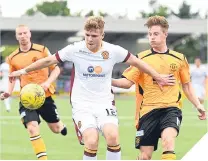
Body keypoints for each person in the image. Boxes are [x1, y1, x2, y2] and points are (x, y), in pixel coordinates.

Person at [9, 16, 175, 160]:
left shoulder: (113, 51)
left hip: (105, 103)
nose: (89, 39)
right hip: (82, 105)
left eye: (94, 36)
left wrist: (158, 76)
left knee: (113, 136)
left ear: (102, 35)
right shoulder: (75, 49)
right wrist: (24, 70)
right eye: (87, 35)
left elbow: (137, 62)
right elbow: (48, 61)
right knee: (91, 140)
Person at [112, 15, 206, 160]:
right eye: (150, 34)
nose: (152, 37)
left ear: (165, 34)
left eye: (156, 34)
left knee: (168, 143)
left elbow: (187, 86)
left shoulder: (179, 59)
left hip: (171, 109)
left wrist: (198, 105)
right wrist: (106, 79)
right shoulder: (141, 59)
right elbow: (126, 83)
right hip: (147, 111)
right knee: (145, 156)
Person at [0, 25, 67, 160]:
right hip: (26, 98)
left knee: (55, 129)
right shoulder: (12, 57)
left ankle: (61, 126)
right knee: (32, 128)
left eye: (25, 33)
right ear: (16, 36)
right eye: (20, 34)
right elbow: (12, 77)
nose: (23, 36)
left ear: (29, 34)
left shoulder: (42, 50)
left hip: (45, 97)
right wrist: (9, 92)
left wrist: (47, 82)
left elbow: (56, 69)